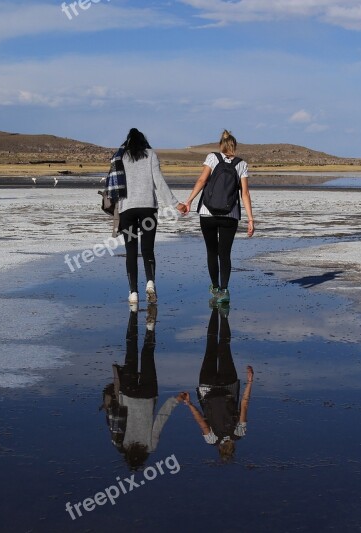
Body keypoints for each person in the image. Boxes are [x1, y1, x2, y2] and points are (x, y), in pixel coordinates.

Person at [108, 128, 187, 306]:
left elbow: (113, 185)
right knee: (147, 249)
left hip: (126, 209)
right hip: (148, 208)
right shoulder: (150, 154)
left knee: (130, 251)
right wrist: (175, 204)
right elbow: (158, 181)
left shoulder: (119, 156)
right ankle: (150, 282)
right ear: (144, 141)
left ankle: (133, 293)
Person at [101, 306, 181, 469]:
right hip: (128, 394)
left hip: (147, 395)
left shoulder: (150, 447)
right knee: (130, 353)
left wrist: (176, 400)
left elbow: (160, 420)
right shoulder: (120, 444)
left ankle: (150, 329)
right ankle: (133, 317)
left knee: (147, 355)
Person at [183, 130, 254, 305]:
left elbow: (201, 181)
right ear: (234, 147)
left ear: (220, 145)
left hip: (208, 213)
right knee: (225, 254)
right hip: (230, 215)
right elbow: (244, 193)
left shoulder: (212, 158)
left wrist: (189, 201)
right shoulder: (241, 164)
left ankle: (215, 288)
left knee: (212, 252)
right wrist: (250, 219)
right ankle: (224, 290)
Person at [179, 306, 253, 463]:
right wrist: (189, 403)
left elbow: (244, 405)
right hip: (207, 388)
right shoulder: (211, 440)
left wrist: (250, 382)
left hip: (228, 386)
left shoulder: (239, 433)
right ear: (220, 449)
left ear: (233, 448)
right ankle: (214, 309)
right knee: (211, 345)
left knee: (224, 344)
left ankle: (223, 312)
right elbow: (201, 421)